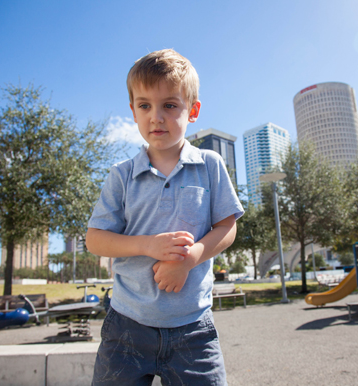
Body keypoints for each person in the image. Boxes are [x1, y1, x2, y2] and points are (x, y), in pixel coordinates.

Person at [86, 49, 244, 386]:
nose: (156, 116)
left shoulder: (210, 165)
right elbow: (95, 238)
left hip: (193, 329)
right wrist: (148, 245)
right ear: (133, 111)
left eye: (170, 105)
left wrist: (190, 258)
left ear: (193, 110)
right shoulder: (121, 175)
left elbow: (227, 227)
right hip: (126, 327)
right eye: (145, 105)